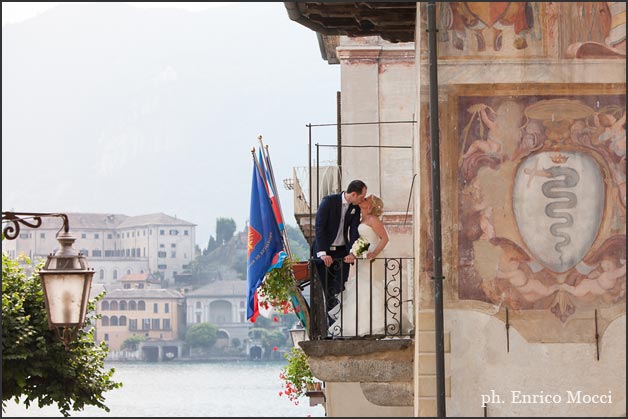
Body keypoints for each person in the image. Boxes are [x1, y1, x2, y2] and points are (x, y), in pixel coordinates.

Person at [328, 195, 413, 337]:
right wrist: (356, 252)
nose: (363, 199)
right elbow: (361, 240)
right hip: (364, 256)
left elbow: (385, 238)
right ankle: (361, 325)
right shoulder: (361, 219)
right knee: (362, 286)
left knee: (372, 285)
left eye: (366, 198)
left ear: (371, 204)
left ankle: (378, 324)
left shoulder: (373, 220)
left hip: (374, 257)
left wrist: (374, 253)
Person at [313, 179, 367, 317]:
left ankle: (340, 325)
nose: (362, 200)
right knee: (328, 291)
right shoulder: (329, 201)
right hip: (324, 252)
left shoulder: (355, 208)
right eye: (361, 197)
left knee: (340, 290)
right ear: (354, 194)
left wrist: (352, 252)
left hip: (342, 252)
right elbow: (319, 227)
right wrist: (323, 253)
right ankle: (332, 329)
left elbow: (354, 231)